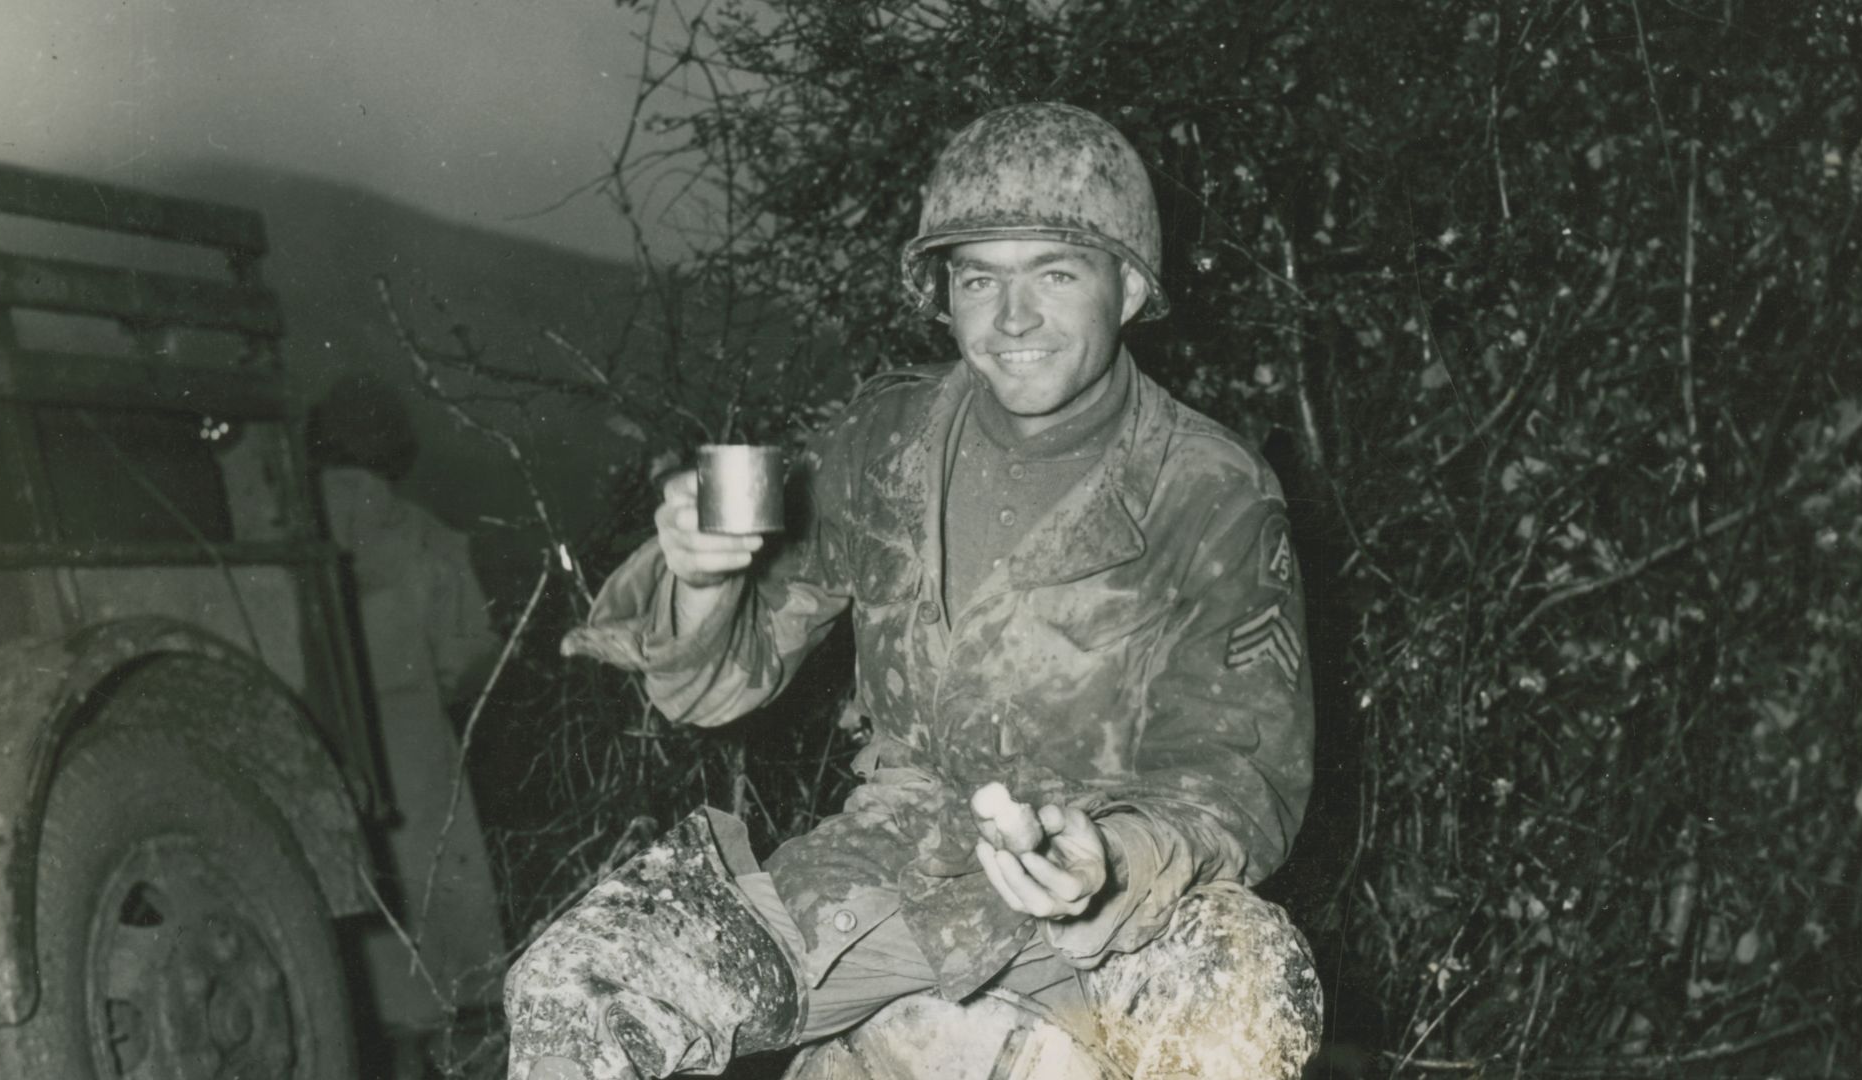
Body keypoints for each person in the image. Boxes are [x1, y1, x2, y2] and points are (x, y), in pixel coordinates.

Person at [512, 102, 1320, 1080]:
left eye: (1055, 275)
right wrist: (702, 584)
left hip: (1109, 911)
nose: (1012, 319)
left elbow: (1240, 779)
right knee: (581, 981)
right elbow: (719, 684)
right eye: (980, 278)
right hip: (888, 872)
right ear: (945, 292)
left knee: (1249, 990)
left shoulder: (1212, 489)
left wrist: (1114, 854)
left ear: (1132, 285)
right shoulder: (884, 440)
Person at [307, 373, 508, 1069]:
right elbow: (469, 659)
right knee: (454, 966)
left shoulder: (284, 536)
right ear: (398, 451)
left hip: (323, 759)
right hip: (418, 760)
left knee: (368, 965)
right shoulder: (426, 539)